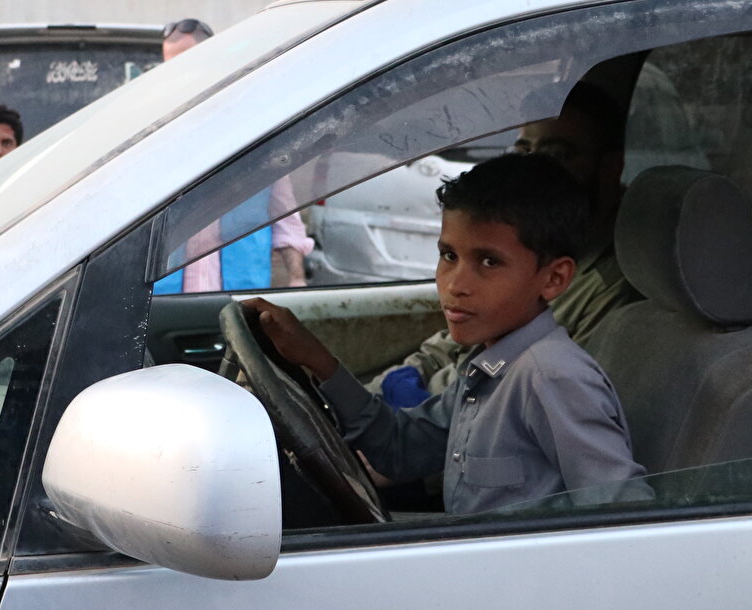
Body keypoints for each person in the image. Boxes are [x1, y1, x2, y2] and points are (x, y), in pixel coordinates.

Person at [244, 153, 646, 514]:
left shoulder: (552, 376)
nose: (455, 284)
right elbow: (401, 450)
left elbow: (622, 517)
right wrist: (320, 363)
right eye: (448, 255)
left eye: (488, 261)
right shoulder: (490, 364)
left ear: (554, 279)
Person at [368, 82, 642, 408]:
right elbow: (449, 347)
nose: (534, 169)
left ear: (611, 168)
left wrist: (417, 410)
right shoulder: (514, 243)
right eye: (525, 151)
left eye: (558, 155)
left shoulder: (615, 288)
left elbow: (521, 400)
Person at [153, 18, 313, 292]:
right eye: (172, 67)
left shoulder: (253, 135)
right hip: (168, 308)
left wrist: (297, 279)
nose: (178, 76)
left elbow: (285, 218)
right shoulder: (154, 140)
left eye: (186, 64)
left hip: (237, 301)